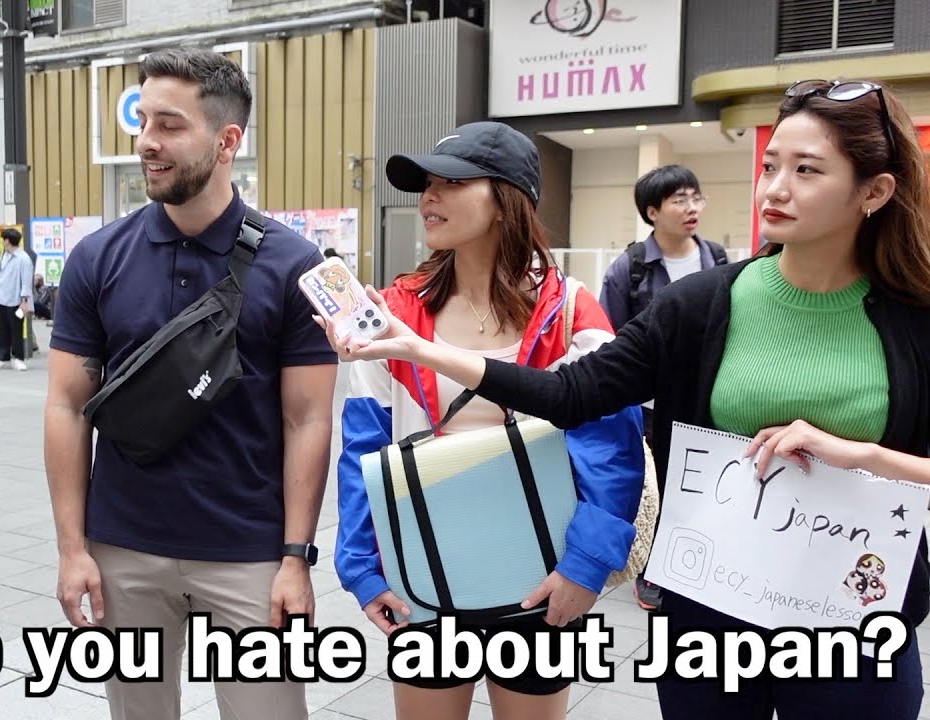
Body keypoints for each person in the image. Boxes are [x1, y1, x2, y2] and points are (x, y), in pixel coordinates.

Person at [322, 79, 930, 719]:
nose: (775, 188)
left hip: (855, 611)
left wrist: (862, 455)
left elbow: (608, 447)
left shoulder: (914, 318)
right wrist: (418, 353)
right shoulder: (700, 304)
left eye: (806, 170)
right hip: (709, 609)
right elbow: (569, 396)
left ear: (875, 191)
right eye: (770, 165)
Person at [44, 48, 337, 720]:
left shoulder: (294, 263)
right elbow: (66, 406)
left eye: (169, 125)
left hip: (249, 552)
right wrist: (72, 549)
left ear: (227, 141)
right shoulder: (97, 258)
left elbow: (309, 420)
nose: (147, 142)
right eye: (143, 122)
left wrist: (295, 557)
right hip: (123, 547)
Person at [333, 122, 644, 720]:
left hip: (542, 568)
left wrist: (586, 565)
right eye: (426, 184)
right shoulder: (395, 313)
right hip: (422, 563)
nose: (429, 197)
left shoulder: (568, 309)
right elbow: (363, 451)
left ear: (506, 200)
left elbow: (613, 449)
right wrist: (363, 568)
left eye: (452, 183)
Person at [598, 164, 728, 611]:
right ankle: (652, 569)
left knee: (701, 484)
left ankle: (698, 565)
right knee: (656, 485)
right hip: (651, 403)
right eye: (679, 200)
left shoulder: (716, 258)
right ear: (653, 212)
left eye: (696, 197)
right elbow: (610, 338)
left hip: (703, 396)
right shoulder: (631, 268)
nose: (692, 208)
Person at [0, 227, 32, 370]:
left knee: (16, 330)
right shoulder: (5, 255)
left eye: (4, 240)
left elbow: (26, 282)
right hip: (2, 299)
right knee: (2, 330)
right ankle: (3, 358)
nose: (3, 242)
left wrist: (24, 301)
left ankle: (18, 358)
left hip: (16, 301)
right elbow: (0, 275)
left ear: (8, 241)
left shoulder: (23, 259)